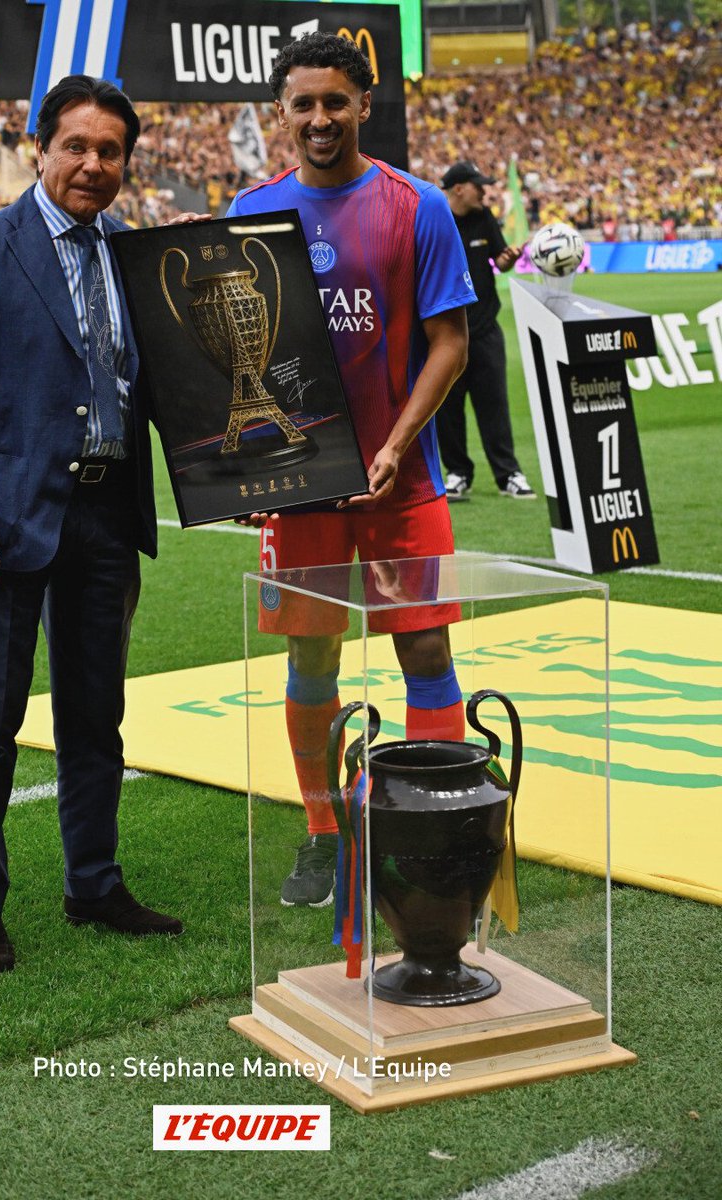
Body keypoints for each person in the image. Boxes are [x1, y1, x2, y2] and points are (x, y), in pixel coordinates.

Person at [0, 75, 182, 973]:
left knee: (94, 717)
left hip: (106, 517)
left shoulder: (135, 258)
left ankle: (93, 883)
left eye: (110, 151)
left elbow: (162, 391)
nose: (93, 165)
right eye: (76, 146)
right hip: (2, 522)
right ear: (40, 147)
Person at [226, 32, 475, 907]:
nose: (321, 118)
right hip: (302, 489)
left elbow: (451, 341)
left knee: (426, 643)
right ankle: (324, 833)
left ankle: (433, 822)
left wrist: (401, 441)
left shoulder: (418, 208)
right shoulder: (251, 209)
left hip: (401, 482)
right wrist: (244, 468)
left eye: (337, 100)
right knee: (312, 654)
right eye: (304, 103)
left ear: (365, 104)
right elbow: (224, 360)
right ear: (282, 113)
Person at [437, 159, 536, 501]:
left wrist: (507, 259)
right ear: (459, 188)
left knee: (494, 405)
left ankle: (508, 475)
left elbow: (500, 260)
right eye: (479, 186)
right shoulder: (434, 219)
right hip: (444, 333)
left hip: (485, 330)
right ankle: (457, 473)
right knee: (447, 409)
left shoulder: (484, 218)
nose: (484, 191)